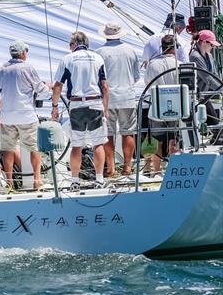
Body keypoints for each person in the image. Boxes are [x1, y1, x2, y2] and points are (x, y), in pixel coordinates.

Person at [51, 31, 109, 190]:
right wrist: (106, 108)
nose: (69, 47)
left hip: (76, 105)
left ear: (74, 44)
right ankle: (99, 180)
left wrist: (55, 108)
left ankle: (75, 182)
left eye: (70, 45)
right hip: (95, 103)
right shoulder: (98, 58)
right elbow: (104, 86)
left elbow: (57, 86)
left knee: (76, 146)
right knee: (98, 144)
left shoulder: (67, 59)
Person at [0, 40, 50, 189]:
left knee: (8, 150)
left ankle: (9, 182)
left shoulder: (1, 69)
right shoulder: (28, 68)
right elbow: (41, 90)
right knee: (34, 148)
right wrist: (48, 87)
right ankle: (37, 180)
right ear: (23, 53)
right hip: (26, 116)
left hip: (7, 117)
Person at [96, 22, 141, 176]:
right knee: (128, 132)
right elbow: (136, 76)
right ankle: (127, 167)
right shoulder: (131, 51)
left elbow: (98, 79)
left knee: (108, 133)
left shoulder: (99, 53)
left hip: (107, 100)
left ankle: (111, 168)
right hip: (127, 96)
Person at [145, 34, 180, 175]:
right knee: (174, 140)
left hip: (157, 107)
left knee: (157, 141)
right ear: (174, 48)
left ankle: (157, 172)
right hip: (176, 107)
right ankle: (173, 171)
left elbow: (147, 83)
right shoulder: (179, 64)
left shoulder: (152, 64)